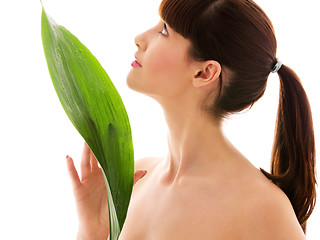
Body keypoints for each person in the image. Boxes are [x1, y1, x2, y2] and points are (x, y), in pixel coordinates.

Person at [66, 0, 316, 239]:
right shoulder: (136, 180)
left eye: (164, 30)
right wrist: (92, 233)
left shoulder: (263, 208)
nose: (140, 39)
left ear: (205, 72)